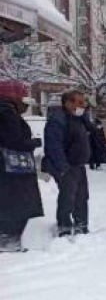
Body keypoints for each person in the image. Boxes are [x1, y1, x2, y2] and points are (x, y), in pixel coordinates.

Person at [0, 83, 44, 252]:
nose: (26, 106)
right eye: (23, 101)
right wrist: (34, 143)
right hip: (12, 169)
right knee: (19, 204)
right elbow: (14, 140)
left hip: (7, 169)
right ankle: (8, 241)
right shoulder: (7, 113)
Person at [44, 92, 91, 237]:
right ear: (68, 103)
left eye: (84, 102)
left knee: (82, 196)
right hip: (66, 165)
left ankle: (81, 224)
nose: (83, 105)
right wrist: (63, 167)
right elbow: (54, 145)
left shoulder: (78, 119)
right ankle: (64, 226)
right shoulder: (58, 120)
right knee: (68, 196)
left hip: (78, 164)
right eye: (79, 102)